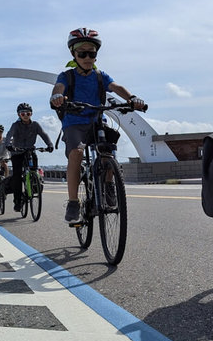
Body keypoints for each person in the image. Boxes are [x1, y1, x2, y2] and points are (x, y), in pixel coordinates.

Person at [50, 28, 147, 223]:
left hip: (96, 121)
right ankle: (73, 202)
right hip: (74, 123)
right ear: (73, 55)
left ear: (96, 55)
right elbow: (58, 88)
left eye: (91, 53)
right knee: (76, 152)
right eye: (82, 53)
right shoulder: (66, 76)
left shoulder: (100, 76)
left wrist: (132, 98)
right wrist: (57, 96)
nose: (87, 57)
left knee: (108, 151)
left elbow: (116, 87)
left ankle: (109, 184)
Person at [5, 103, 54, 211]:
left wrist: (49, 145)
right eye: (23, 114)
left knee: (34, 171)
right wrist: (8, 145)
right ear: (19, 115)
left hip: (30, 151)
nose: (26, 115)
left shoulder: (35, 125)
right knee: (17, 176)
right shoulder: (15, 125)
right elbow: (9, 135)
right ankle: (17, 201)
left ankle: (33, 185)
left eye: (28, 113)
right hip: (17, 152)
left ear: (31, 114)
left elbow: (44, 134)